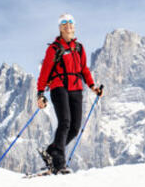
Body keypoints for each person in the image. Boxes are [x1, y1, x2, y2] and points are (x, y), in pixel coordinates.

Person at [36, 13, 102, 174]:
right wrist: (40, 93)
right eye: (64, 23)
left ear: (74, 26)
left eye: (70, 22)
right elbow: (45, 71)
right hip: (59, 87)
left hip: (76, 88)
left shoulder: (79, 48)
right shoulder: (54, 48)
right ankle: (59, 164)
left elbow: (84, 69)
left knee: (74, 127)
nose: (68, 25)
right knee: (65, 122)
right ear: (60, 27)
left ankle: (52, 151)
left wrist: (92, 86)